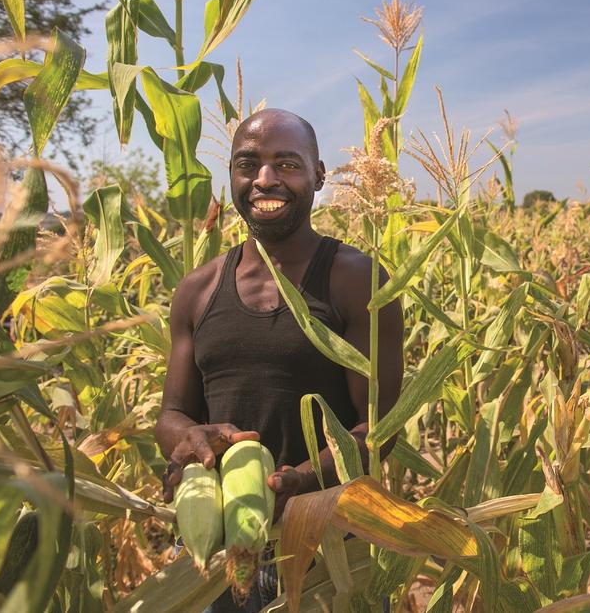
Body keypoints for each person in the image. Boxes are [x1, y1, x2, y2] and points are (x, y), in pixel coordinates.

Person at [156, 109, 404, 612]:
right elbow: (172, 414)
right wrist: (189, 440)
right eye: (248, 164)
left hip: (323, 547)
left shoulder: (358, 280)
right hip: (213, 544)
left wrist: (309, 481)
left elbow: (379, 425)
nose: (264, 179)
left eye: (286, 164)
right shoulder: (197, 289)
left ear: (318, 175)